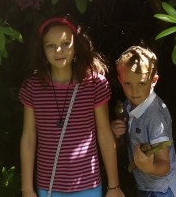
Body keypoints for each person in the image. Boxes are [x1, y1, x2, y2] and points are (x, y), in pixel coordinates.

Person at [19, 17, 125, 197]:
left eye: (66, 43)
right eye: (50, 45)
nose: (58, 50)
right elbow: (29, 137)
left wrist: (113, 186)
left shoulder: (94, 84)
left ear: (76, 46)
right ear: (42, 50)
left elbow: (105, 134)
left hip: (88, 185)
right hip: (48, 186)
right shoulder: (33, 87)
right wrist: (27, 189)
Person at [111, 46, 176, 197]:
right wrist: (115, 133)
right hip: (146, 186)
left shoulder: (154, 116)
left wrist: (148, 167)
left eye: (141, 83)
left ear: (154, 80)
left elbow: (164, 165)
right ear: (120, 80)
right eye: (128, 84)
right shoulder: (128, 105)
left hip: (164, 190)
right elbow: (124, 141)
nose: (134, 91)